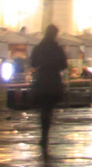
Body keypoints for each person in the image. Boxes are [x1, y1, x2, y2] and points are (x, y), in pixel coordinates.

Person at [28, 25, 69, 156]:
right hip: (53, 80)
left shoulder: (39, 48)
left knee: (44, 109)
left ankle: (44, 134)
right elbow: (64, 65)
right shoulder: (57, 49)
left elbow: (33, 63)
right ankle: (45, 133)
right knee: (48, 108)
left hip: (42, 79)